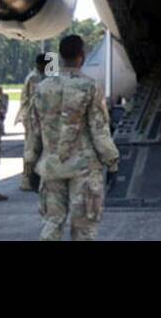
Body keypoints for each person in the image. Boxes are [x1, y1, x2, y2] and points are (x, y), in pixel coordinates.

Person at [25, 35, 120, 241]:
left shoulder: (43, 88)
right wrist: (112, 163)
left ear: (60, 57)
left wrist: (30, 164)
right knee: (84, 227)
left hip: (51, 166)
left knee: (52, 221)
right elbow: (99, 130)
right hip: (83, 168)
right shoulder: (90, 87)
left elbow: (34, 130)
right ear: (82, 56)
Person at [16, 54, 49, 191]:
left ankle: (32, 178)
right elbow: (38, 99)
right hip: (33, 118)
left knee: (35, 148)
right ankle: (27, 180)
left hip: (34, 117)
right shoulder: (35, 78)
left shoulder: (38, 76)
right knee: (31, 149)